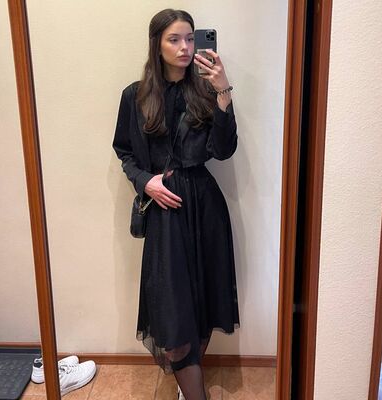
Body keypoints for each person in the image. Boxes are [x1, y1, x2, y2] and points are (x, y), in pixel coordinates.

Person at [112, 9, 240, 400]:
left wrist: (223, 92)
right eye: (174, 39)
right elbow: (124, 151)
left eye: (189, 38)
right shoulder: (135, 95)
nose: (184, 47)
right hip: (165, 212)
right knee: (173, 316)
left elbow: (224, 150)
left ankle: (189, 389)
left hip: (205, 206)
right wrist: (145, 182)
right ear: (157, 44)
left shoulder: (206, 91)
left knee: (202, 304)